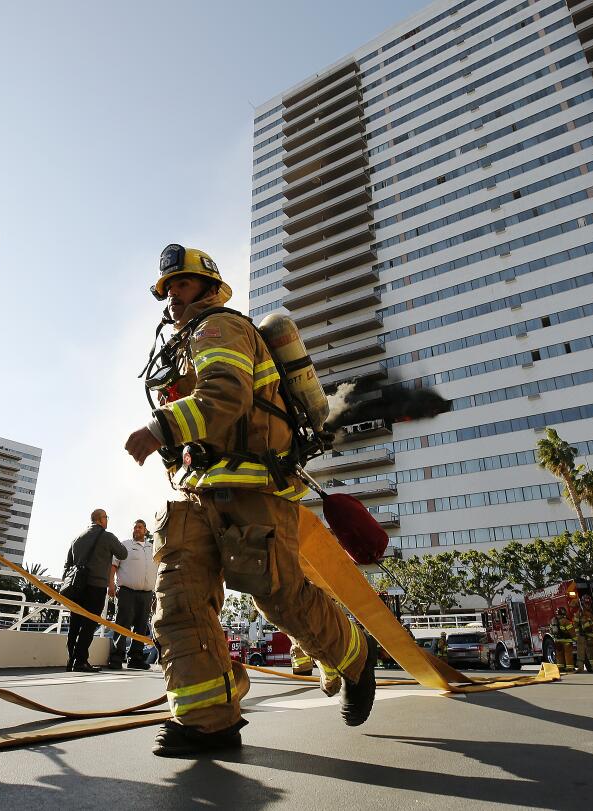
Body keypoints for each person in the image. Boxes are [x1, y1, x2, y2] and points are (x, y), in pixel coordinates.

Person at [126, 244, 375, 758]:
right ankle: (207, 721)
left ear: (211, 289)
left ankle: (355, 658)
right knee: (179, 604)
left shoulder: (222, 327)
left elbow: (227, 397)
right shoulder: (181, 347)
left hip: (253, 489)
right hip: (196, 494)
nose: (172, 296)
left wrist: (158, 430)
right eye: (167, 289)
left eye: (183, 284)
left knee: (279, 595)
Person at [64, 509, 127, 673]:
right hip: (96, 587)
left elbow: (67, 564)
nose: (107, 520)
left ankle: (71, 660)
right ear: (101, 519)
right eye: (106, 517)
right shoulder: (107, 536)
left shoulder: (77, 538)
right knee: (89, 624)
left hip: (76, 587)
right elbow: (123, 553)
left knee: (75, 623)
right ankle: (81, 661)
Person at [107, 519, 157, 670]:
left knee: (141, 627)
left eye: (140, 527)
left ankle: (135, 657)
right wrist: (110, 584)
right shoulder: (125, 545)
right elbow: (113, 565)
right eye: (135, 527)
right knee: (122, 624)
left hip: (147, 594)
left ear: (146, 531)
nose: (137, 529)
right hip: (127, 592)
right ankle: (116, 657)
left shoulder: (153, 548)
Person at [551, 607, 576, 673]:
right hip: (566, 642)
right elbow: (571, 631)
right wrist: (576, 639)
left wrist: (556, 640)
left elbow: (551, 632)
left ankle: (560, 668)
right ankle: (570, 668)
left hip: (557, 641)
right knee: (568, 655)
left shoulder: (554, 621)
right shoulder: (566, 621)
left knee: (559, 656)